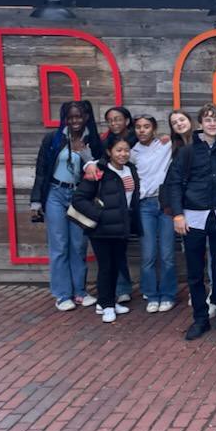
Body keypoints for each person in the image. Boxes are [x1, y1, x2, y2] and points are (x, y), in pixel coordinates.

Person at [163, 103, 216, 340]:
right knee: (194, 272)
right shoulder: (187, 151)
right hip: (193, 217)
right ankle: (200, 319)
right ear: (200, 123)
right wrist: (178, 214)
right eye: (207, 119)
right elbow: (174, 182)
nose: (212, 123)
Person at [28, 101, 101, 310]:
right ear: (65, 119)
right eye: (71, 117)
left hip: (79, 195)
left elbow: (99, 169)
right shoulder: (54, 138)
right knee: (59, 245)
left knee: (78, 245)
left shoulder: (92, 140)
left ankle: (80, 291)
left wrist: (86, 154)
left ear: (86, 117)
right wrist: (35, 200)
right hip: (55, 194)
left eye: (79, 116)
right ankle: (62, 294)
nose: (75, 121)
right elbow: (41, 169)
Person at [74, 138, 140, 324]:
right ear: (109, 151)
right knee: (106, 267)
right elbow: (79, 199)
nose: (123, 154)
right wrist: (99, 215)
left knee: (117, 265)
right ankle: (108, 306)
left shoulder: (130, 169)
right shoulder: (99, 170)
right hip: (102, 230)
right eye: (118, 150)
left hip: (122, 228)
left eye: (126, 150)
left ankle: (107, 301)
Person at [131, 115, 177, 313]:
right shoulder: (132, 152)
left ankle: (168, 294)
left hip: (165, 204)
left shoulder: (165, 145)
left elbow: (186, 136)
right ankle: (151, 294)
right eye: (139, 127)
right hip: (145, 206)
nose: (142, 130)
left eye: (146, 126)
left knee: (167, 253)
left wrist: (167, 137)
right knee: (148, 253)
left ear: (154, 128)